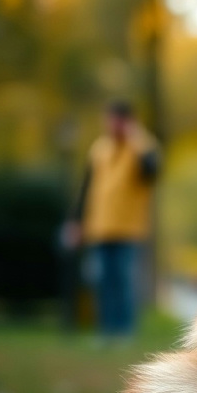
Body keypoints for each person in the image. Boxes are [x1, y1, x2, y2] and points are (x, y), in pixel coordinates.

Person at [64, 101, 160, 340]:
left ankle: (125, 331)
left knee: (123, 281)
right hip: (99, 227)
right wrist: (76, 221)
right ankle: (106, 331)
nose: (111, 125)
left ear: (128, 121)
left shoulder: (144, 146)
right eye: (109, 119)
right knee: (103, 282)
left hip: (128, 228)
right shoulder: (99, 149)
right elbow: (87, 187)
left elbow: (151, 172)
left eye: (116, 120)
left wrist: (137, 140)